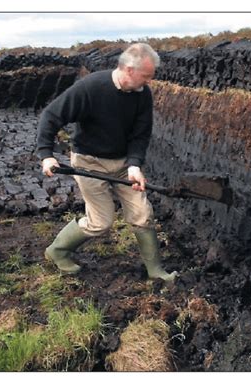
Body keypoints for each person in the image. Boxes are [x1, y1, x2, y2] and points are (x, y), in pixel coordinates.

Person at [36, 43, 177, 281]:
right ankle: (57, 251)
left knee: (142, 213)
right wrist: (46, 154)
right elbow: (51, 116)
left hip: (123, 165)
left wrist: (134, 164)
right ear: (129, 70)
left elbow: (141, 134)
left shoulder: (142, 95)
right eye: (146, 76)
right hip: (89, 162)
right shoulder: (90, 88)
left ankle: (155, 270)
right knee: (101, 222)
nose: (149, 82)